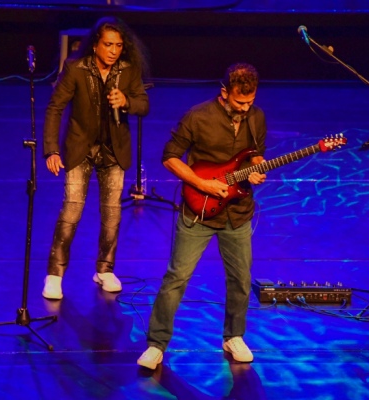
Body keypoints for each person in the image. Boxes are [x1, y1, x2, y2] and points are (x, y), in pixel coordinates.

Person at [137, 63, 267, 370]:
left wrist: (257, 169)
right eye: (239, 102)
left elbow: (256, 154)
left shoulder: (256, 117)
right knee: (177, 277)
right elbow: (170, 157)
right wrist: (201, 183)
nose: (245, 108)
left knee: (241, 279)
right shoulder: (198, 116)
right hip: (200, 209)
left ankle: (234, 336)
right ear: (224, 93)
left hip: (237, 212)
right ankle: (156, 344)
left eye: (250, 102)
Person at [41, 16, 149, 299]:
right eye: (108, 44)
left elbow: (143, 104)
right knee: (72, 211)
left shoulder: (128, 70)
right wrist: (52, 150)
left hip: (114, 151)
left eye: (118, 45)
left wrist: (126, 102)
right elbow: (55, 108)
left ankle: (104, 269)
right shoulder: (75, 68)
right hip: (81, 149)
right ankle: (54, 274)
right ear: (96, 45)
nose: (113, 51)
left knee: (112, 213)